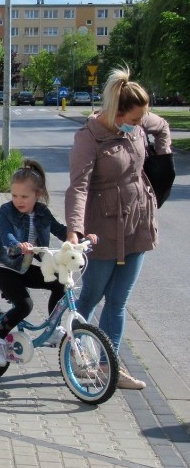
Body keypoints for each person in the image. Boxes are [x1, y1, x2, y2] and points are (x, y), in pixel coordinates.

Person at [66, 66, 171, 390]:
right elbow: (78, 187)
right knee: (89, 299)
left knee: (118, 302)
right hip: (103, 228)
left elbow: (162, 127)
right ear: (118, 111)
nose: (140, 125)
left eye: (142, 119)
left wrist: (163, 160)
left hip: (138, 224)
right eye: (136, 119)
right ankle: (76, 357)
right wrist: (74, 230)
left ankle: (107, 366)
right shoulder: (90, 137)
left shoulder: (138, 124)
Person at [0, 160, 94, 365]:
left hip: (23, 268)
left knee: (59, 283)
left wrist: (80, 237)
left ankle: (53, 329)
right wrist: (17, 245)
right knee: (25, 305)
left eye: (24, 196)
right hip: (4, 269)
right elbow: (6, 234)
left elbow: (60, 230)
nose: (18, 200)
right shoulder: (6, 211)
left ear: (38, 195)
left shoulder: (43, 212)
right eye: (14, 195)